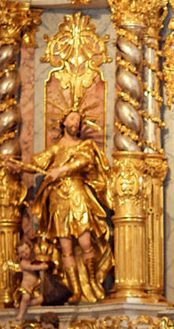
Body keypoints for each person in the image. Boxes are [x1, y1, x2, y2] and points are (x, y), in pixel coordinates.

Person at [11, 109, 112, 303]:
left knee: (85, 243)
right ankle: (75, 290)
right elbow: (36, 162)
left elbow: (85, 161)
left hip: (78, 195)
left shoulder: (85, 145)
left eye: (79, 120)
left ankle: (92, 283)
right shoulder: (56, 149)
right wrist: (20, 166)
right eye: (72, 118)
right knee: (65, 247)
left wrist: (61, 170)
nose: (75, 122)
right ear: (63, 121)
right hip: (58, 199)